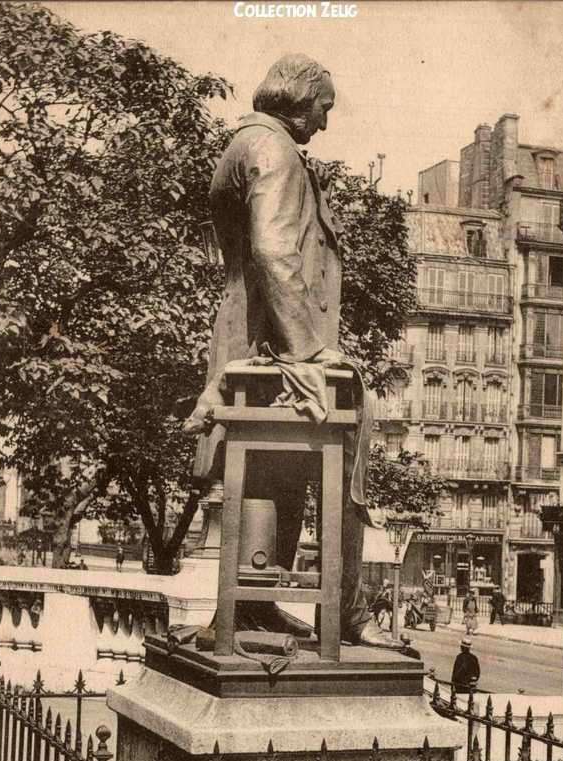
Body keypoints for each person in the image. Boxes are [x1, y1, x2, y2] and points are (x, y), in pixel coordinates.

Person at [185, 54, 397, 649]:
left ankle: (255, 603)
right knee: (348, 445)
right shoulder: (274, 150)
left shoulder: (247, 143)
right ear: (299, 99)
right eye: (324, 107)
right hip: (279, 346)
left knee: (275, 471)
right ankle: (349, 617)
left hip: (257, 342)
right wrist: (311, 351)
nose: (326, 122)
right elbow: (275, 253)